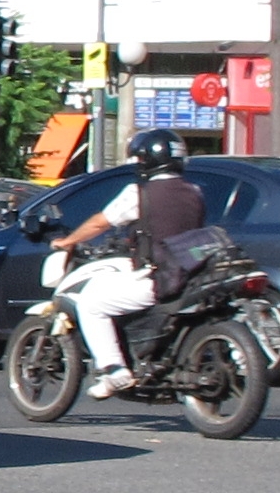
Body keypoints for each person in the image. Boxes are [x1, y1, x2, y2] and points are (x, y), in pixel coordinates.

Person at [51, 130, 210, 399]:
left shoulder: (139, 194)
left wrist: (69, 241)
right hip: (189, 273)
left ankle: (114, 370)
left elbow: (101, 222)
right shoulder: (195, 192)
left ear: (147, 160)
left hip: (158, 278)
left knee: (91, 303)